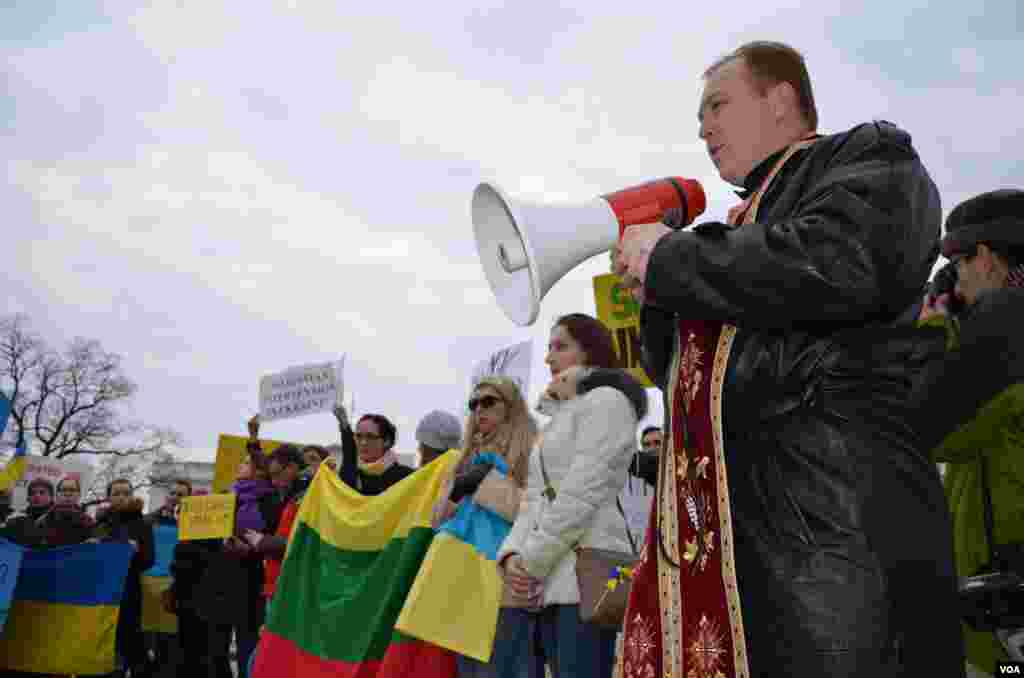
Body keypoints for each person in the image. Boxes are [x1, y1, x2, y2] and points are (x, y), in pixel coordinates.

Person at [615, 41, 962, 677]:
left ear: (781, 101)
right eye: (699, 117)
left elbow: (844, 264)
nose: (703, 128)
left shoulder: (868, 158)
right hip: (755, 552)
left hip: (836, 537)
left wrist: (674, 260)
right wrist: (659, 296)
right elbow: (684, 380)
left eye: (718, 105)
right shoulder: (741, 229)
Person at [914, 190, 1024, 677]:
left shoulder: (1006, 325)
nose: (955, 282)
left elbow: (931, 427)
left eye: (957, 266)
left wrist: (933, 331)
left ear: (982, 256)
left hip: (1006, 609)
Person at [496, 313, 643, 678]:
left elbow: (582, 493)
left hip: (586, 579)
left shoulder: (608, 401)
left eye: (561, 346)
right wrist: (512, 556)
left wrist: (530, 562)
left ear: (590, 352)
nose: (549, 358)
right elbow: (533, 501)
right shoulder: (553, 422)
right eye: (548, 347)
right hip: (546, 581)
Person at [445, 376, 537, 678]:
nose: (479, 410)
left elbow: (536, 513)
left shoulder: (532, 452)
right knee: (468, 671)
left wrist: (485, 481)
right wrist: (458, 490)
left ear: (510, 408)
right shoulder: (463, 457)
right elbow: (438, 521)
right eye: (474, 404)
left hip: (506, 586)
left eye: (489, 402)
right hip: (461, 579)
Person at [93, 479, 156, 678]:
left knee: (130, 642)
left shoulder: (142, 524)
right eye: (116, 493)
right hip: (102, 592)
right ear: (109, 497)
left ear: (132, 496)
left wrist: (135, 552)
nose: (121, 497)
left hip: (129, 593)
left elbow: (149, 560)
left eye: (126, 493)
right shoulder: (100, 523)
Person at [335, 409, 414, 495]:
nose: (363, 442)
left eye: (370, 437)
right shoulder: (350, 475)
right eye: (358, 436)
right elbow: (349, 451)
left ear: (386, 441)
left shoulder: (406, 477)